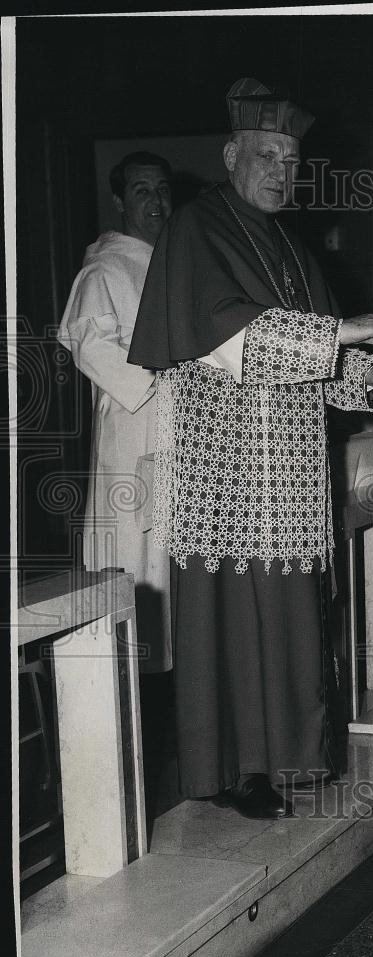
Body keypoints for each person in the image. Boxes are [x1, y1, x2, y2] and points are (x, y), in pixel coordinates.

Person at [128, 78, 373, 820]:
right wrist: (340, 335)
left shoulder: (290, 243)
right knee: (227, 621)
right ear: (231, 154)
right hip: (223, 467)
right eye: (267, 155)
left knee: (290, 618)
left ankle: (289, 756)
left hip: (287, 469)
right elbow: (226, 332)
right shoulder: (197, 227)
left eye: (292, 159)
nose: (282, 172)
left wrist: (366, 374)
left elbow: (313, 361)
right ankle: (230, 769)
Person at [57, 150, 174, 675]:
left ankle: (174, 679)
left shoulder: (175, 259)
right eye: (142, 190)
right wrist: (154, 384)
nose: (156, 201)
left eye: (162, 189)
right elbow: (87, 343)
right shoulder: (105, 267)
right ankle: (130, 682)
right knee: (131, 549)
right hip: (136, 423)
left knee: (172, 558)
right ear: (120, 202)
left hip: (181, 425)